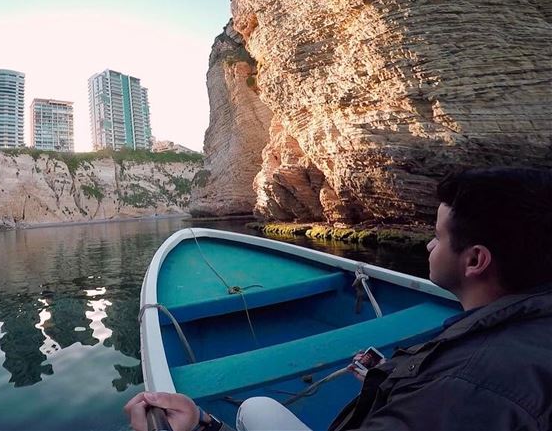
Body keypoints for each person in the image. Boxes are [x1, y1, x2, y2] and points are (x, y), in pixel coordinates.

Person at [125, 167, 552, 431]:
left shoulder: (452, 397)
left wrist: (203, 426)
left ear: (475, 260)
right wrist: (389, 377)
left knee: (256, 408)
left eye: (437, 237)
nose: (428, 247)